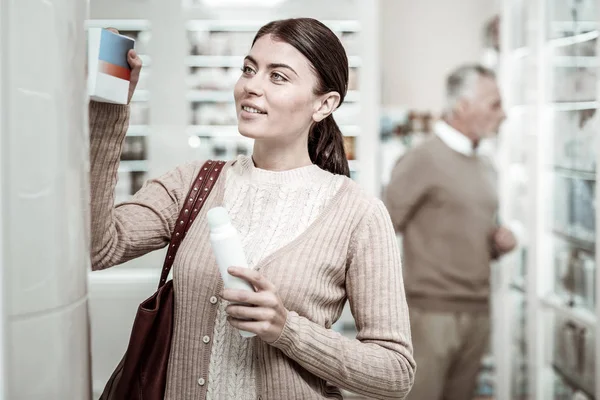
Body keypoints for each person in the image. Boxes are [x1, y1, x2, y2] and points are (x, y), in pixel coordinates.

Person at [91, 18, 415, 400]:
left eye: (278, 76)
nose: (251, 86)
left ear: (324, 104)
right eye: (249, 69)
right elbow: (99, 247)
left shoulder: (359, 214)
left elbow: (395, 372)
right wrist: (108, 111)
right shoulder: (193, 184)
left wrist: (287, 330)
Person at [384, 64, 517, 400]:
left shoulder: (485, 165)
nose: (503, 114)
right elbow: (379, 230)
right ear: (462, 106)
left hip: (477, 311)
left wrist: (497, 242)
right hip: (431, 316)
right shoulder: (421, 159)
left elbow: (467, 230)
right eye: (494, 104)